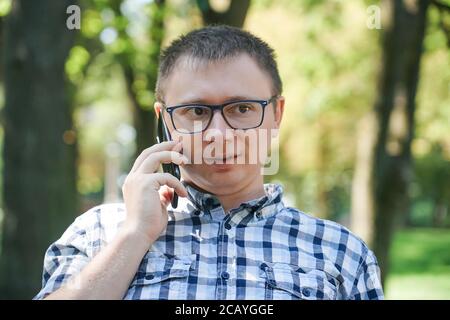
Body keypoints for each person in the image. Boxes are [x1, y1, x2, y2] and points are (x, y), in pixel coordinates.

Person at [34, 25, 384, 300]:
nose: (218, 133)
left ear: (276, 114)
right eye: (196, 111)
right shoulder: (98, 233)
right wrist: (134, 235)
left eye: (242, 109)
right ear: (165, 119)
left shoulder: (341, 252)